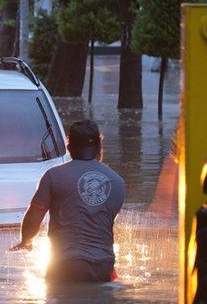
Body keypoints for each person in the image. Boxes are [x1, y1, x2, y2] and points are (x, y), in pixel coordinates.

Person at [11, 119, 125, 283]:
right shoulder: (117, 182)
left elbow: (34, 216)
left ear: (68, 147)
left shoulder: (53, 176)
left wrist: (26, 241)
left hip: (64, 265)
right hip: (103, 266)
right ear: (99, 148)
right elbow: (104, 222)